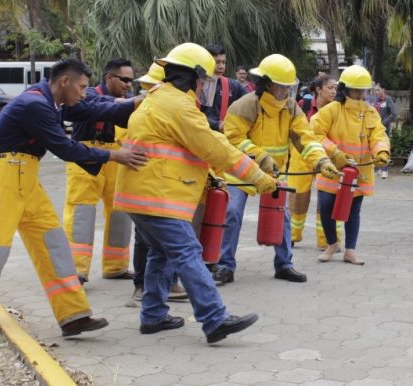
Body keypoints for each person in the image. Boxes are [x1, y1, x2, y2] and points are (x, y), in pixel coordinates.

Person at [0, 59, 148, 340]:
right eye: (81, 87)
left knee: (53, 246)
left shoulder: (52, 100)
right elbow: (65, 147)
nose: (83, 93)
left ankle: (73, 317)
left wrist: (134, 104)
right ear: (64, 82)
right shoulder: (35, 105)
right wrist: (114, 155)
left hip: (25, 178)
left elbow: (92, 108)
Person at [114, 43, 277, 343]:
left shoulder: (160, 99)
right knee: (188, 252)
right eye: (204, 80)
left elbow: (196, 144)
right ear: (193, 77)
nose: (204, 87)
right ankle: (214, 319)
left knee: (161, 253)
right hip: (158, 196)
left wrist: (219, 175)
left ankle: (152, 316)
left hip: (140, 195)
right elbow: (213, 148)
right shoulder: (178, 105)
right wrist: (257, 177)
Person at [211, 54, 341, 285]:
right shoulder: (244, 106)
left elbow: (306, 139)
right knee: (232, 213)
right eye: (284, 86)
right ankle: (224, 266)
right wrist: (261, 157)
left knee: (283, 217)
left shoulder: (291, 108)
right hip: (240, 172)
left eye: (290, 86)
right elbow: (232, 139)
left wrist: (322, 162)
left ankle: (284, 265)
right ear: (269, 83)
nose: (288, 91)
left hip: (272, 173)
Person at [63, 58, 137, 284]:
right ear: (109, 77)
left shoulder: (126, 102)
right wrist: (130, 102)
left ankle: (116, 266)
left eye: (131, 81)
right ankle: (76, 270)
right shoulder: (89, 95)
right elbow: (101, 103)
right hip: (85, 155)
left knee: (120, 212)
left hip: (116, 155)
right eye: (124, 79)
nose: (128, 85)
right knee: (82, 213)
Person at [312, 65, 391, 265]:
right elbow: (315, 134)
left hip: (359, 171)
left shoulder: (370, 112)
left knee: (353, 210)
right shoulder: (331, 110)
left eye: (362, 90)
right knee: (326, 205)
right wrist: (335, 153)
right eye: (356, 90)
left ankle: (350, 251)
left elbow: (378, 135)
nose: (359, 94)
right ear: (345, 89)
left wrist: (381, 151)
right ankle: (331, 244)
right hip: (332, 169)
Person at [128, 62, 188, 302]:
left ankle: (164, 289)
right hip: (149, 185)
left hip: (166, 184)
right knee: (147, 240)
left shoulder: (167, 107)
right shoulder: (146, 110)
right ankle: (141, 286)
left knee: (159, 246)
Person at [288, 75, 342, 250]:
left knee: (326, 198)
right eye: (330, 87)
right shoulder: (302, 105)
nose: (334, 91)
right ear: (319, 89)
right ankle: (291, 236)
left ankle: (327, 240)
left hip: (327, 156)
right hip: (300, 154)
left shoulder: (337, 109)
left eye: (336, 88)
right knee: (298, 196)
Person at [199, 44, 247, 132]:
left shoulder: (233, 85)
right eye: (217, 62)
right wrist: (217, 125)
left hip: (222, 137)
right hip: (197, 133)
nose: (221, 66)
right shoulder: (194, 84)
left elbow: (250, 101)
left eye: (223, 62)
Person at [372, 83, 397, 179]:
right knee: (375, 148)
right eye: (375, 91)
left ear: (383, 89)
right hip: (375, 128)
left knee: (384, 148)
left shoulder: (388, 100)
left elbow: (394, 114)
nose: (376, 92)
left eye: (378, 90)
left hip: (384, 128)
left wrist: (383, 123)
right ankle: (377, 169)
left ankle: (385, 170)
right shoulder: (376, 101)